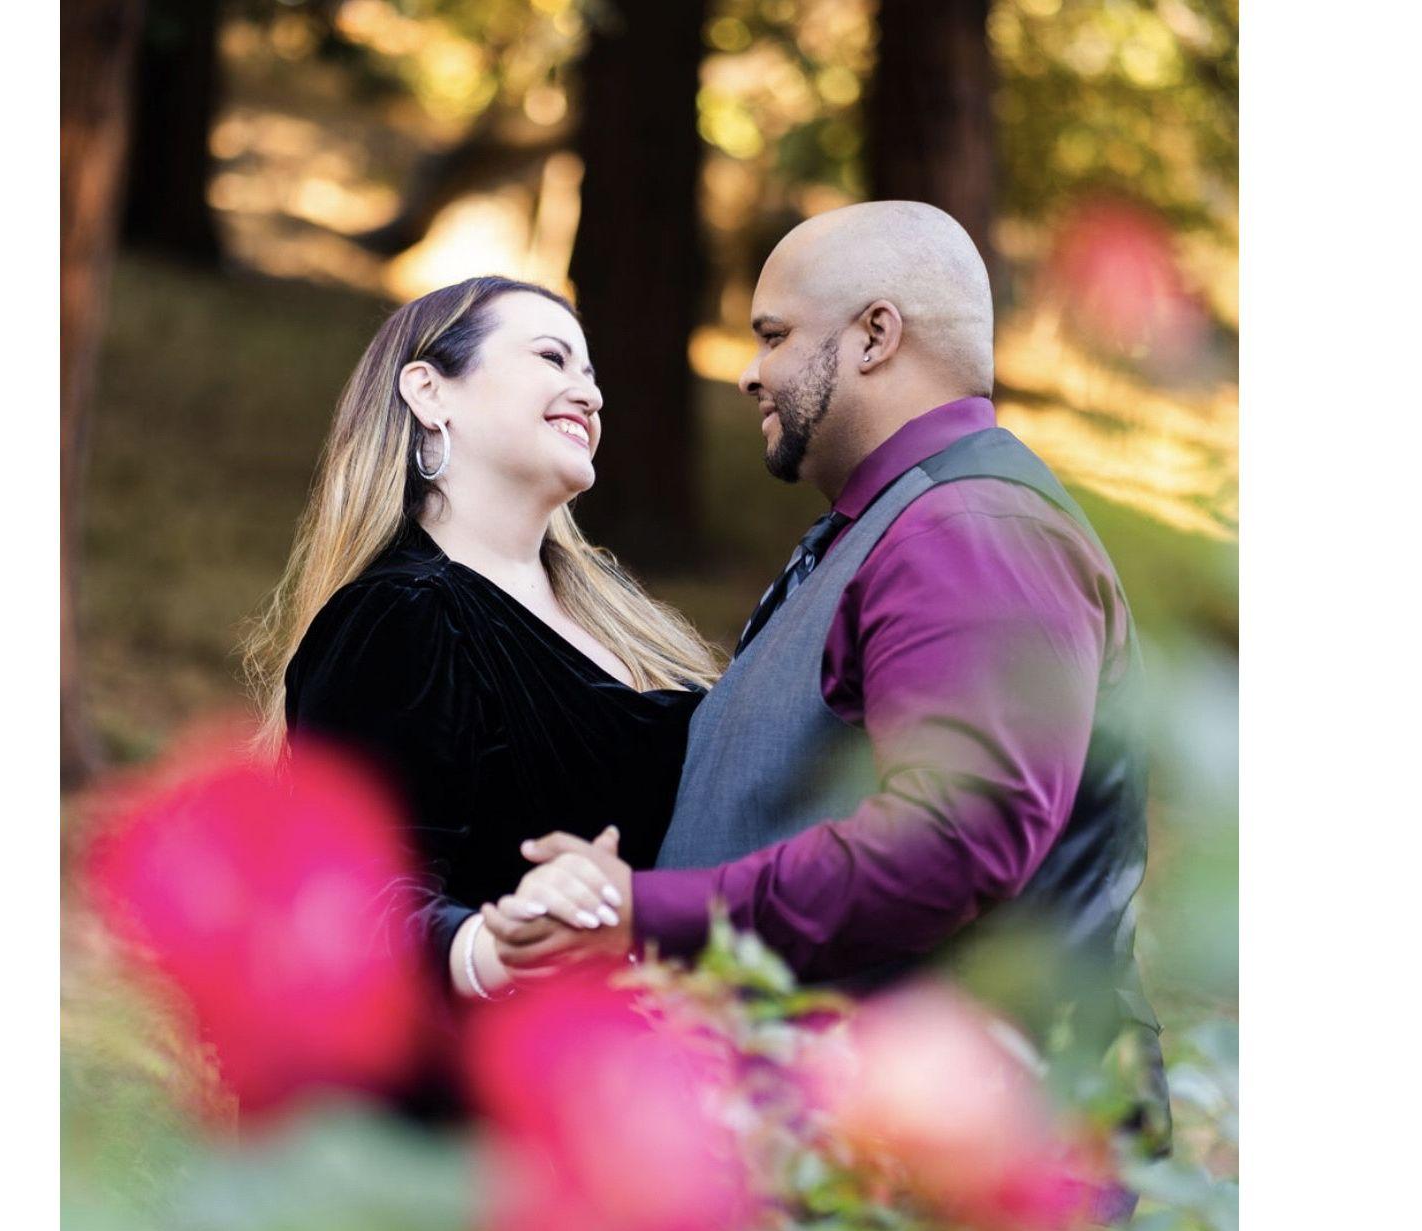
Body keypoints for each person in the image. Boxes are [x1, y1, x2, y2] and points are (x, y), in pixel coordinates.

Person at [486, 202, 1169, 1143]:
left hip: (969, 1171)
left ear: (875, 336)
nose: (748, 370)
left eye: (774, 335)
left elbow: (955, 839)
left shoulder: (969, 533)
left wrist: (648, 913)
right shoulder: (898, 527)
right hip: (871, 1159)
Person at [244, 275, 718, 1019]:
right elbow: (350, 902)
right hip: (484, 1104)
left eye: (592, 375)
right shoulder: (401, 617)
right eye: (553, 359)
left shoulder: (626, 621)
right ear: (431, 392)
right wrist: (491, 948)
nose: (589, 395)